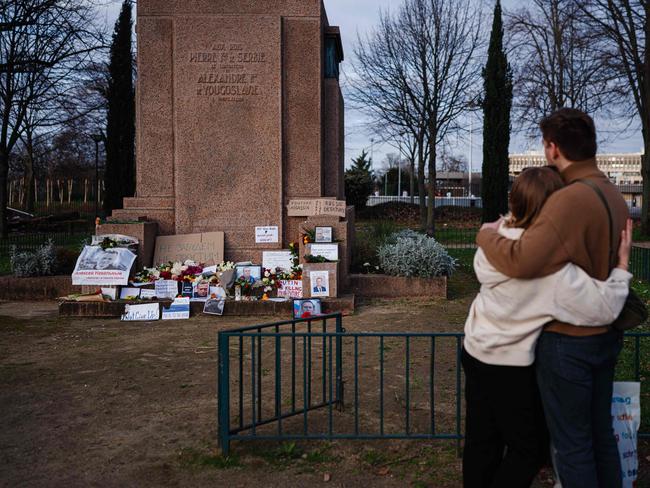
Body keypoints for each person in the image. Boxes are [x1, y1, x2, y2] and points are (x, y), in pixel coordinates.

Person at [476, 108, 629, 487]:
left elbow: (521, 259)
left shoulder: (569, 199)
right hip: (604, 330)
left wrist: (484, 235)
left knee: (572, 447)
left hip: (569, 338)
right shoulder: (612, 192)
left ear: (553, 148)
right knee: (602, 438)